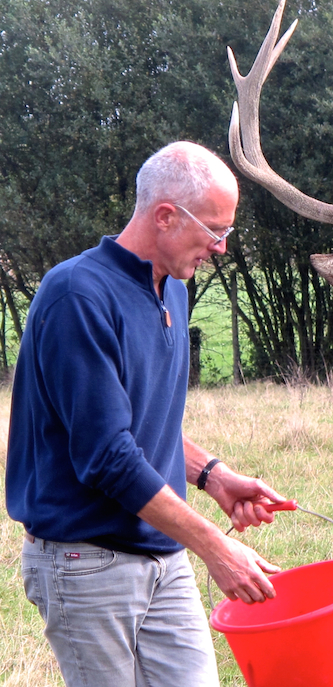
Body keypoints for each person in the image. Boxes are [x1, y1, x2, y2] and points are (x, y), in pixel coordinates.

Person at [4, 141, 285, 687]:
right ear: (164, 216)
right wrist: (215, 545)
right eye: (215, 231)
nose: (222, 248)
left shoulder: (172, 292)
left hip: (163, 553)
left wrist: (212, 475)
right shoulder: (77, 297)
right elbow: (107, 455)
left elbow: (138, 421)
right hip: (87, 565)